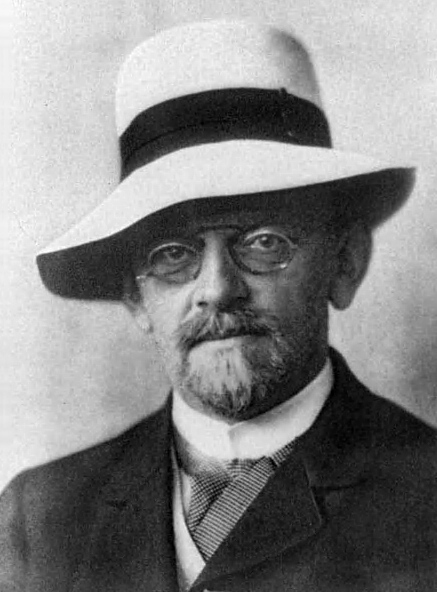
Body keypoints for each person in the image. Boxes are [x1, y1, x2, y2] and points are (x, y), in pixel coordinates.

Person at [0, 20, 436, 592]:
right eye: (172, 255)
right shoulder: (40, 520)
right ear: (135, 297)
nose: (217, 288)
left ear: (345, 263)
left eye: (264, 243)